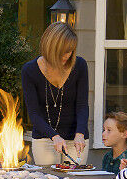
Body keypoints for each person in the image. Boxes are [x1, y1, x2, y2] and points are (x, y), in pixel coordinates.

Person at [21, 22, 89, 166]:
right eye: (63, 51)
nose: (67, 55)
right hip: (44, 138)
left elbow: (82, 105)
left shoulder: (80, 65)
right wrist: (54, 136)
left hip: (76, 138)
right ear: (51, 48)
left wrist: (80, 134)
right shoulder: (29, 70)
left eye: (70, 50)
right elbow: (34, 114)